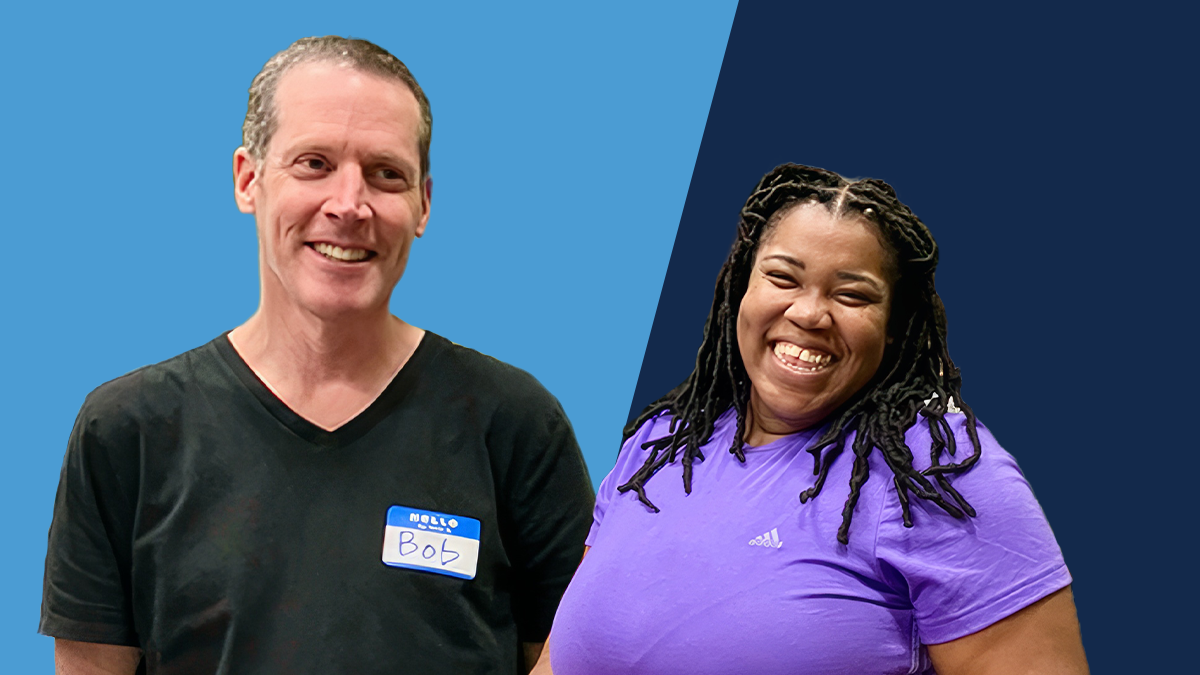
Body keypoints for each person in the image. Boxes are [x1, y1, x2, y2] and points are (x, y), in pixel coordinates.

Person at [40, 36, 594, 675]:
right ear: (249, 180)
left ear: (423, 205)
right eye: (314, 163)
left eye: (386, 174)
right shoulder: (127, 430)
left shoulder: (515, 423)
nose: (349, 205)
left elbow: (572, 658)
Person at [543, 164, 1088, 674]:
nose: (808, 313)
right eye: (783, 278)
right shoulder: (663, 444)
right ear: (741, 288)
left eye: (851, 294)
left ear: (894, 324)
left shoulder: (936, 476)